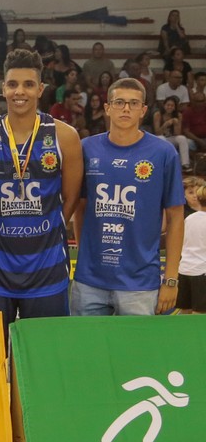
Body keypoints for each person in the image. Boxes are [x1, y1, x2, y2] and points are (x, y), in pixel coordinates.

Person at [0, 49, 83, 337]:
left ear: (40, 89)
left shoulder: (64, 136)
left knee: (44, 355)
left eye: (29, 84)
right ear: (3, 89)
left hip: (47, 267)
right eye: (13, 84)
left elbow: (70, 198)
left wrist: (47, 229)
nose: (20, 92)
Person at [72, 78, 184, 315]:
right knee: (86, 351)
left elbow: (175, 217)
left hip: (140, 283)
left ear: (143, 110)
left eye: (134, 103)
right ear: (107, 107)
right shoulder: (85, 148)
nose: (126, 108)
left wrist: (171, 279)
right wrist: (85, 255)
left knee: (136, 353)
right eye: (120, 102)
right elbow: (79, 207)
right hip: (89, 281)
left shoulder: (163, 153)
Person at [176, 184, 206, 313]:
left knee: (185, 312)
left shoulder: (189, 219)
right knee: (200, 315)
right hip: (202, 273)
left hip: (184, 270)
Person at [153, 96, 191, 170]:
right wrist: (166, 124)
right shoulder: (158, 114)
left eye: (172, 106)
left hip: (171, 138)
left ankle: (185, 164)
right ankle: (163, 164)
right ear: (164, 106)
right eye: (168, 105)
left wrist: (176, 124)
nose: (169, 107)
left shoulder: (178, 115)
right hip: (159, 139)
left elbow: (178, 133)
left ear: (175, 107)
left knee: (182, 138)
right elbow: (157, 132)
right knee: (162, 138)